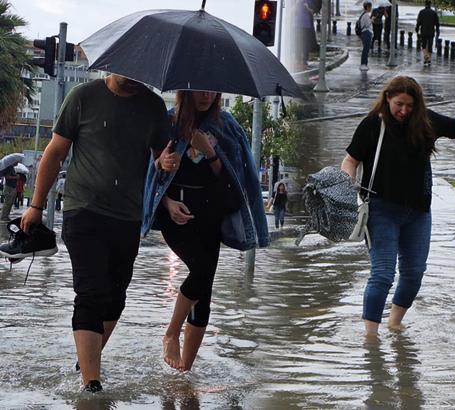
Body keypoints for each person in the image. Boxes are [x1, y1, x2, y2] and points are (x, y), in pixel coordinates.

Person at [19, 74, 171, 393]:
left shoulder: (154, 107)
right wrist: (35, 206)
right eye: (127, 74)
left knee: (115, 298)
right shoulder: (82, 97)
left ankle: (85, 359)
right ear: (111, 65)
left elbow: (160, 160)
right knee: (91, 292)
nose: (134, 81)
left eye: (138, 77)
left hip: (128, 216)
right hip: (83, 209)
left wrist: (167, 162)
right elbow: (55, 152)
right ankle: (91, 385)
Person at [340, 76, 455, 336]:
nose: (404, 111)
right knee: (383, 275)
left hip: (418, 212)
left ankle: (395, 324)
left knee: (414, 274)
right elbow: (350, 160)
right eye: (399, 104)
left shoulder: (425, 121)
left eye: (410, 105)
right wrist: (346, 187)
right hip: (380, 210)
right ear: (387, 99)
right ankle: (370, 339)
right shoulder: (373, 125)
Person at [142, 90, 269, 371]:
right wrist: (165, 193)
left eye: (212, 92)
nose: (206, 97)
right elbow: (150, 173)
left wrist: (210, 152)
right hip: (177, 216)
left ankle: (185, 371)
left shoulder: (226, 125)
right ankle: (171, 332)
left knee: (204, 291)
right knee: (199, 271)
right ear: (186, 91)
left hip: (211, 217)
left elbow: (231, 182)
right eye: (200, 90)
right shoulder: (167, 123)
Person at [415, 1, 439, 66]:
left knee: (423, 45)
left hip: (424, 31)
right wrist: (437, 31)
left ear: (425, 5)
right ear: (430, 5)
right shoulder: (434, 13)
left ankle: (426, 56)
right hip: (431, 31)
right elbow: (437, 23)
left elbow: (418, 22)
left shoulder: (422, 12)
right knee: (430, 45)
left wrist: (417, 29)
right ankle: (429, 60)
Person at [358, 1, 374, 71]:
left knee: (366, 49)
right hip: (366, 33)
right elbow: (367, 25)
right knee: (366, 49)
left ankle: (365, 64)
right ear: (367, 7)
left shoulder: (364, 14)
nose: (371, 8)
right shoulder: (366, 15)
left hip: (366, 33)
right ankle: (363, 64)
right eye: (370, 7)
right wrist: (372, 20)